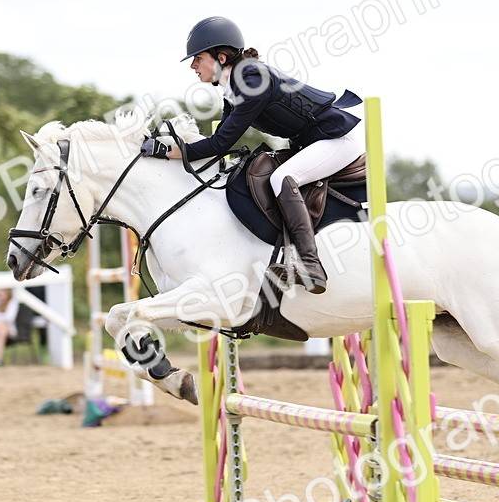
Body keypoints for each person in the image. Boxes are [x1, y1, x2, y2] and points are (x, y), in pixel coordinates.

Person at [140, 16, 364, 295]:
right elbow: (217, 142)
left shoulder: (252, 79)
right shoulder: (233, 86)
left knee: (283, 177)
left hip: (337, 136)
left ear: (220, 57)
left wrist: (166, 152)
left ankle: (310, 263)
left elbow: (220, 143)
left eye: (197, 58)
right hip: (312, 139)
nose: (193, 66)